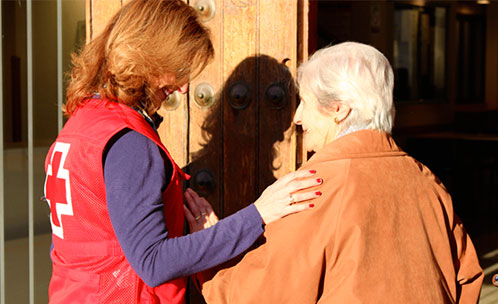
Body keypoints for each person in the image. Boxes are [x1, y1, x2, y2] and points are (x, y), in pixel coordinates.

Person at [42, 1, 322, 303]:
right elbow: (153, 262)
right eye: (179, 68)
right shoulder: (130, 142)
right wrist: (258, 214)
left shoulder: (82, 123)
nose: (185, 87)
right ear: (149, 57)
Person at [198, 42, 484, 303]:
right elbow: (468, 277)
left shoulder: (314, 187)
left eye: (305, 103)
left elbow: (257, 295)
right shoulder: (426, 182)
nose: (296, 118)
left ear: (339, 110)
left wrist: (208, 254)